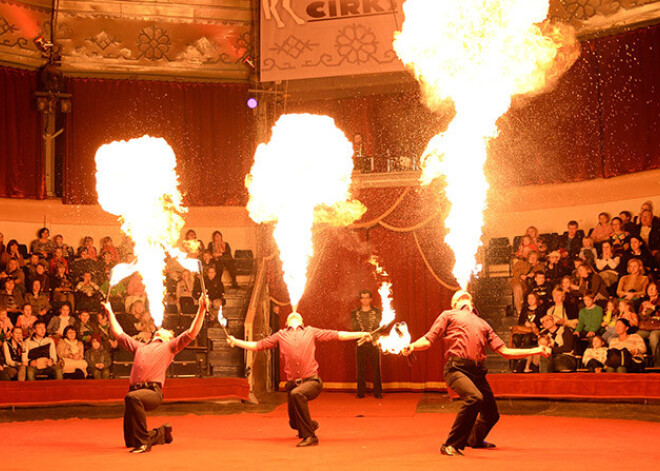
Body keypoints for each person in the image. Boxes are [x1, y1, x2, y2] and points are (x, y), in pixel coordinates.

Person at [402, 290, 550, 456]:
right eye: (457, 297)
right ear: (454, 305)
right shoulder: (449, 315)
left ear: (472, 304)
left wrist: (537, 349)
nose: (462, 295)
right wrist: (413, 346)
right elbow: (429, 339)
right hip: (457, 368)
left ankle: (474, 439)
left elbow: (505, 351)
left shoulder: (483, 324)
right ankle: (450, 445)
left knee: (491, 414)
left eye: (465, 295)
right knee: (475, 398)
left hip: (477, 372)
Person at [227, 312, 371, 447]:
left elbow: (338, 335)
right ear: (286, 322)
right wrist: (236, 342)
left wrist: (361, 334)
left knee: (297, 394)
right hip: (292, 386)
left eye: (297, 315)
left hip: (312, 382)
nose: (294, 314)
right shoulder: (281, 335)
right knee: (294, 423)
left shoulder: (310, 331)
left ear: (301, 321)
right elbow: (257, 346)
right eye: (291, 315)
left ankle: (311, 436)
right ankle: (309, 424)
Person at [104, 293, 207, 453]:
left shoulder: (169, 347)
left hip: (152, 393)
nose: (161, 330)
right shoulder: (140, 347)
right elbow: (119, 334)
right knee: (130, 441)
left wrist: (201, 309)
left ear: (169, 338)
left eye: (166, 331)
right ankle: (161, 433)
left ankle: (145, 444)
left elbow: (191, 333)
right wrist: (110, 312)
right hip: (136, 393)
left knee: (131, 398)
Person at [350, 289, 383, 399]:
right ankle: (360, 393)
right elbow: (354, 327)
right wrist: (363, 335)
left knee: (376, 369)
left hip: (374, 343)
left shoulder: (378, 312)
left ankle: (378, 393)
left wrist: (372, 337)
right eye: (362, 297)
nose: (365, 300)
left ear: (371, 299)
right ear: (360, 299)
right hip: (361, 343)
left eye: (367, 297)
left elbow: (379, 328)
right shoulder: (354, 313)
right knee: (360, 369)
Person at [637, 282, 660, 367]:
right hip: (646, 327)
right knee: (637, 335)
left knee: (654, 336)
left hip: (657, 327)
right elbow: (640, 317)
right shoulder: (644, 302)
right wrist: (643, 311)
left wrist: (653, 307)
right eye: (649, 288)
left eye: (654, 288)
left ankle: (656, 362)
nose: (651, 290)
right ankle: (639, 360)